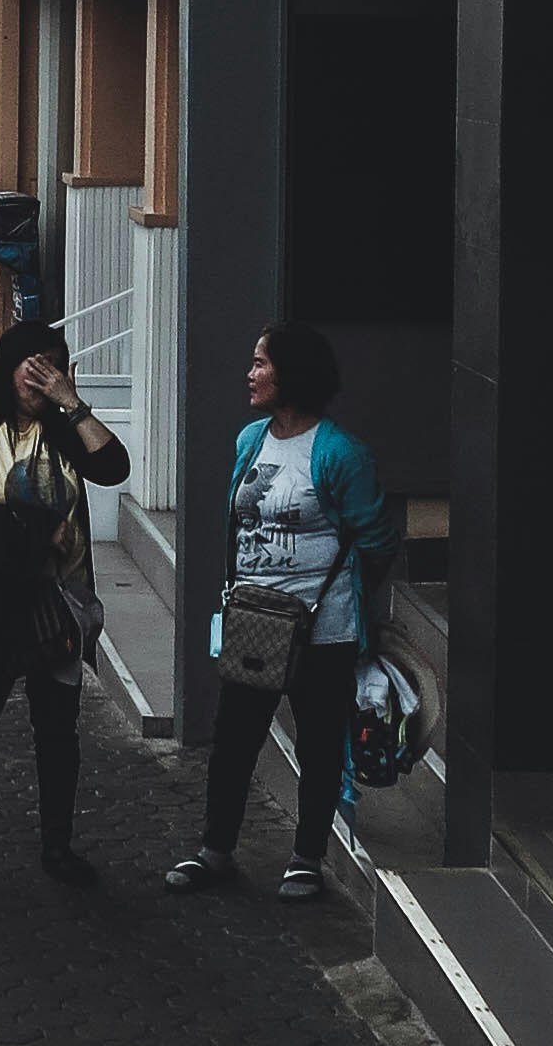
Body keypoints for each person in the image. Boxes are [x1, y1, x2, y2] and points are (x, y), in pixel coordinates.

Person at [165, 322, 393, 903]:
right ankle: (215, 850)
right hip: (256, 622)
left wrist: (357, 608)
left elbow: (377, 540)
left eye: (262, 363)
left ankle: (307, 857)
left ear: (293, 374)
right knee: (234, 738)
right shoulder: (251, 441)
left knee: (319, 743)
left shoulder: (340, 454)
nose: (251, 372)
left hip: (322, 628)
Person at [0, 320, 130, 890]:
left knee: (58, 731)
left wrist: (72, 404)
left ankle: (58, 847)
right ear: (8, 365)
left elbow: (114, 468)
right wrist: (37, 536)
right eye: (30, 365)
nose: (38, 378)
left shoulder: (62, 430)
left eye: (51, 367)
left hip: (57, 604)